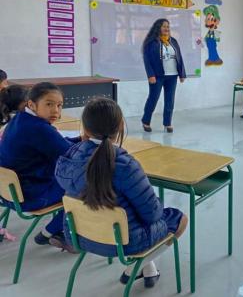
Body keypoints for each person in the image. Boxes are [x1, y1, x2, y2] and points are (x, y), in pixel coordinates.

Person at [56, 98, 188, 288]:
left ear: (84, 128)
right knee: (178, 218)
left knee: (128, 212)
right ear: (120, 126)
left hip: (79, 235)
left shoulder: (70, 156)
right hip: (124, 242)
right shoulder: (125, 165)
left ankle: (148, 269)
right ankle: (135, 267)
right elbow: (153, 214)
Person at [0, 82, 80, 251]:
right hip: (31, 197)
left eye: (59, 105)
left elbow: (59, 145)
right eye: (49, 104)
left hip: (8, 194)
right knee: (87, 187)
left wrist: (81, 139)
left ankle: (54, 231)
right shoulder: (38, 128)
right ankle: (50, 232)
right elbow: (73, 155)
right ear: (31, 104)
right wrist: (89, 141)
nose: (56, 111)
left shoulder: (20, 119)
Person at [142, 18, 186, 133]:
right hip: (157, 76)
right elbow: (147, 60)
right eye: (164, 26)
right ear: (158, 28)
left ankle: (167, 123)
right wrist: (150, 75)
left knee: (170, 100)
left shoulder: (173, 41)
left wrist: (182, 74)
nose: (166, 28)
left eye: (168, 26)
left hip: (172, 75)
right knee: (153, 98)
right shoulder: (151, 42)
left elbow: (179, 58)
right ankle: (146, 121)